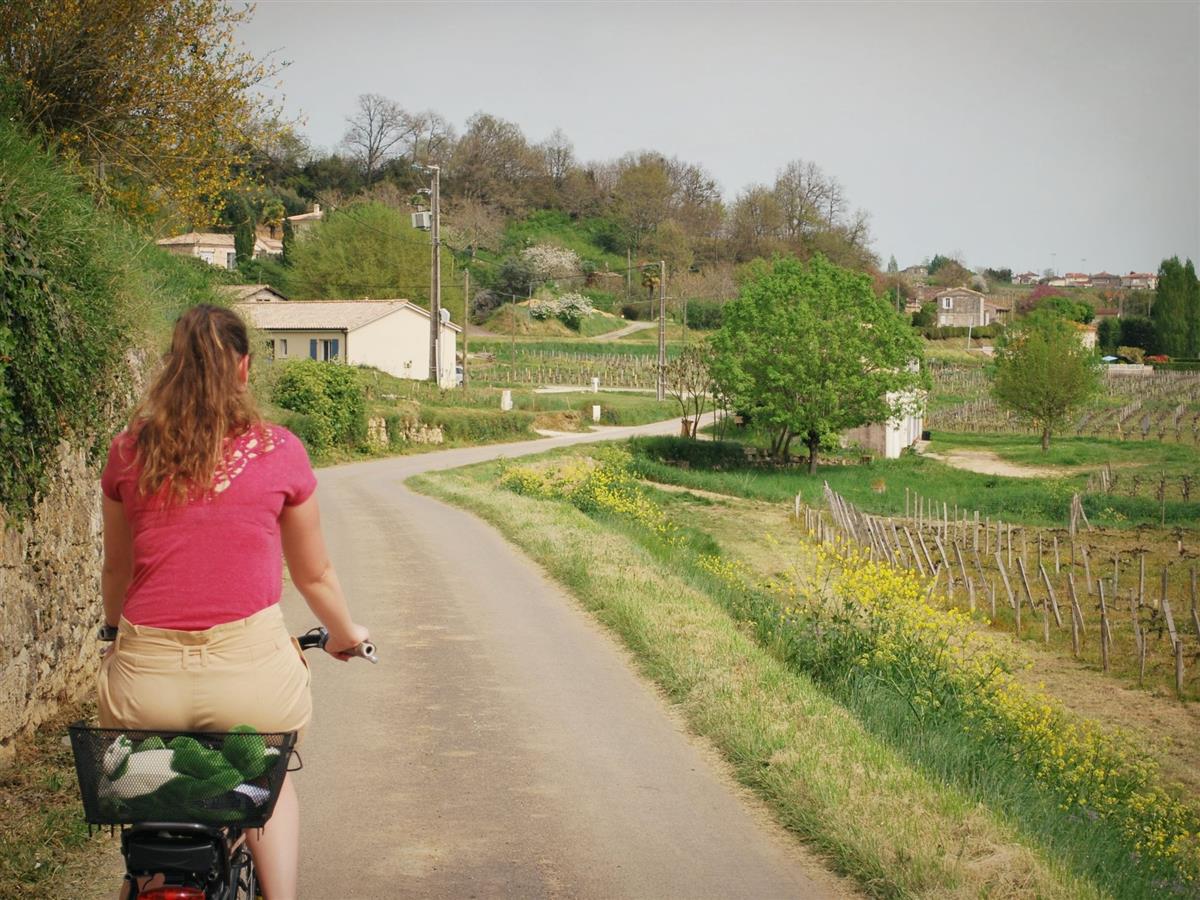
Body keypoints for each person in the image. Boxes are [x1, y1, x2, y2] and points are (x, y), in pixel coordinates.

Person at [98, 304, 368, 899]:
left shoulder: (127, 452)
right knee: (264, 785)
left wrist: (114, 633)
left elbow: (118, 568)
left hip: (148, 682)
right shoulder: (279, 450)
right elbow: (314, 573)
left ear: (172, 369)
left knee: (150, 788)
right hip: (250, 684)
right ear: (244, 369)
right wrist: (346, 634)